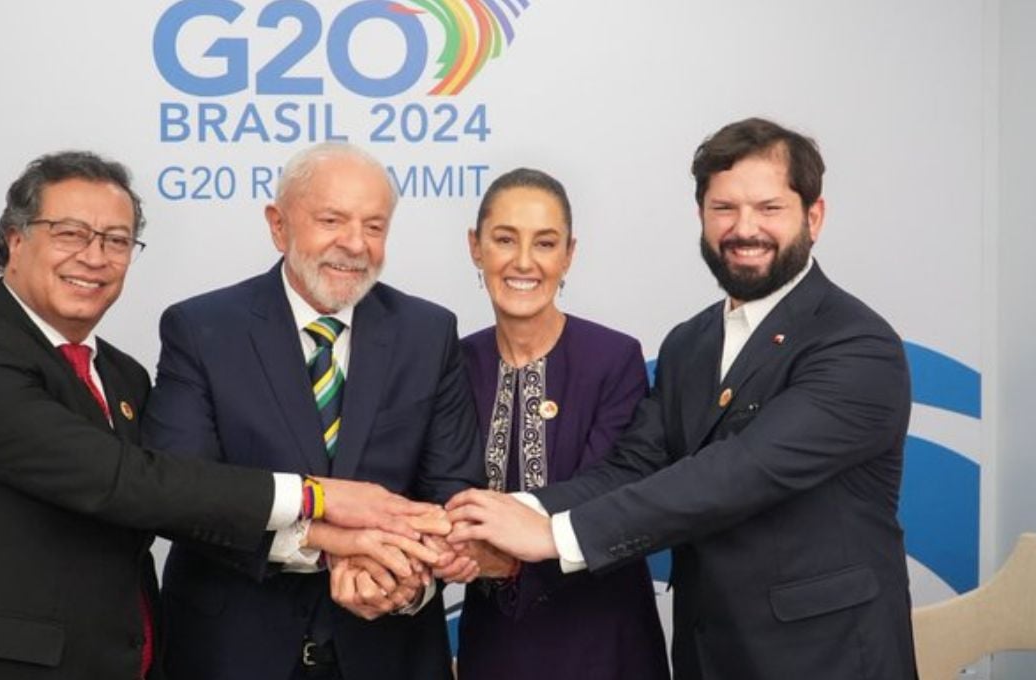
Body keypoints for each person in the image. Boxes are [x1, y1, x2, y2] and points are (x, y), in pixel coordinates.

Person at [0, 151, 438, 680]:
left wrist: (342, 543)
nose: (94, 256)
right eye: (69, 234)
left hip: (124, 660)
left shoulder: (120, 374)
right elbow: (127, 481)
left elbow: (173, 498)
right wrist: (321, 497)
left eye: (116, 241)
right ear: (15, 240)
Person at [448, 118, 918, 680]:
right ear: (701, 217)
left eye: (769, 208)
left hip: (826, 659)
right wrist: (512, 511)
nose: (745, 229)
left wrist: (554, 534)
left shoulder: (857, 345)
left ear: (813, 217)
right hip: (707, 656)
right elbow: (634, 467)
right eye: (725, 209)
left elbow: (738, 472)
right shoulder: (690, 343)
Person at [142, 142, 483, 680]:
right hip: (231, 655)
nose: (355, 244)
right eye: (332, 220)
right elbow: (183, 495)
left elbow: (452, 488)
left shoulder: (428, 332)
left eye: (375, 226)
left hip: (389, 650)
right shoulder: (201, 329)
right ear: (278, 225)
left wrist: (402, 578)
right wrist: (329, 547)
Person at [454, 168, 669, 679]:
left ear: (568, 254)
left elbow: (614, 488)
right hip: (495, 639)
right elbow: (441, 486)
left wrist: (508, 518)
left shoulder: (613, 357)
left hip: (603, 637)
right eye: (505, 239)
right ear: (475, 247)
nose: (523, 262)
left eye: (545, 243)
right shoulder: (454, 364)